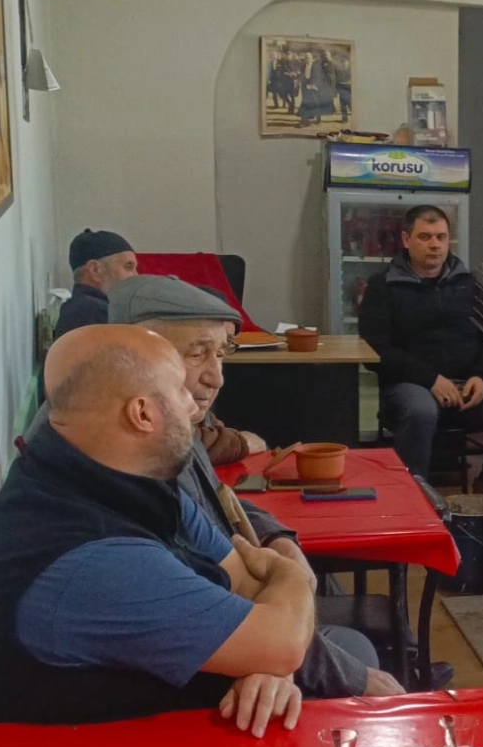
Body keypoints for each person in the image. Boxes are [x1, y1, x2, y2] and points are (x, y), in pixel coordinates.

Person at [0, 325, 315, 734]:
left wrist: (264, 660)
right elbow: (283, 640)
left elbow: (246, 584)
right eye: (179, 390)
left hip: (158, 739)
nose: (194, 408)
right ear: (142, 413)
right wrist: (290, 574)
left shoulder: (100, 473)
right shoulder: (94, 560)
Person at [102, 275, 410, 699]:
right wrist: (343, 675)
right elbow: (206, 604)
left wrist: (276, 537)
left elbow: (220, 501)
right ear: (136, 358)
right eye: (196, 354)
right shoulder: (131, 467)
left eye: (221, 353)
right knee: (360, 659)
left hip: (241, 624)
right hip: (203, 669)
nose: (216, 377)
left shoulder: (175, 425)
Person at [358, 204, 483, 479]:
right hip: (410, 386)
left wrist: (482, 376)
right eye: (425, 237)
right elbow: (376, 351)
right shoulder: (382, 286)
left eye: (441, 237)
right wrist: (430, 379)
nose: (435, 245)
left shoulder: (473, 285)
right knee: (420, 410)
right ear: (406, 240)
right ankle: (414, 490)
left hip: (469, 385)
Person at [55, 229, 138, 339]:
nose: (136, 275)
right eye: (128, 267)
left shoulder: (80, 307)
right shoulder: (94, 312)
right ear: (95, 270)